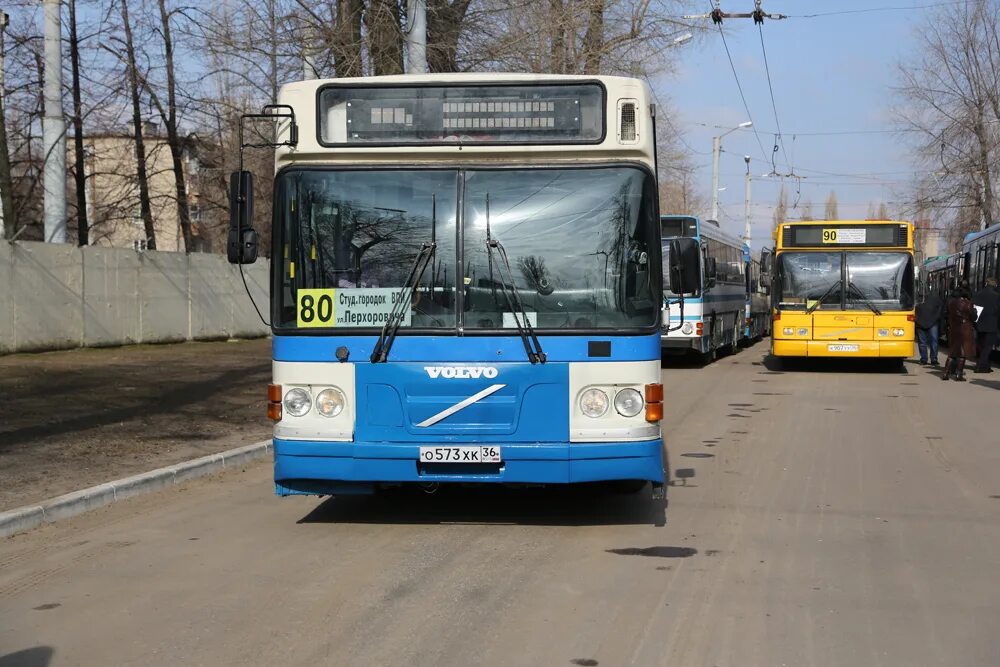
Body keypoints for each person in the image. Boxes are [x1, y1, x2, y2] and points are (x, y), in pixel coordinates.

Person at [942, 286, 977, 381]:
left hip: (954, 329)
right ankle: (959, 374)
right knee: (963, 353)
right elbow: (973, 317)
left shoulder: (951, 303)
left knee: (952, 352)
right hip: (965, 329)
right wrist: (975, 311)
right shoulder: (968, 304)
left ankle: (945, 373)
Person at [972, 276, 1000, 373]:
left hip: (979, 324)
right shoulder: (997, 296)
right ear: (995, 284)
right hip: (992, 324)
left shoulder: (977, 294)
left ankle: (986, 365)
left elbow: (974, 310)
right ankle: (981, 366)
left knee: (982, 346)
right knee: (988, 347)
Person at [914, 290, 944, 365]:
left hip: (925, 322)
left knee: (925, 342)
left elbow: (939, 308)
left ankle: (927, 359)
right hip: (928, 322)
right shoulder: (933, 295)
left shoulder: (917, 296)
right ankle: (929, 359)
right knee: (931, 341)